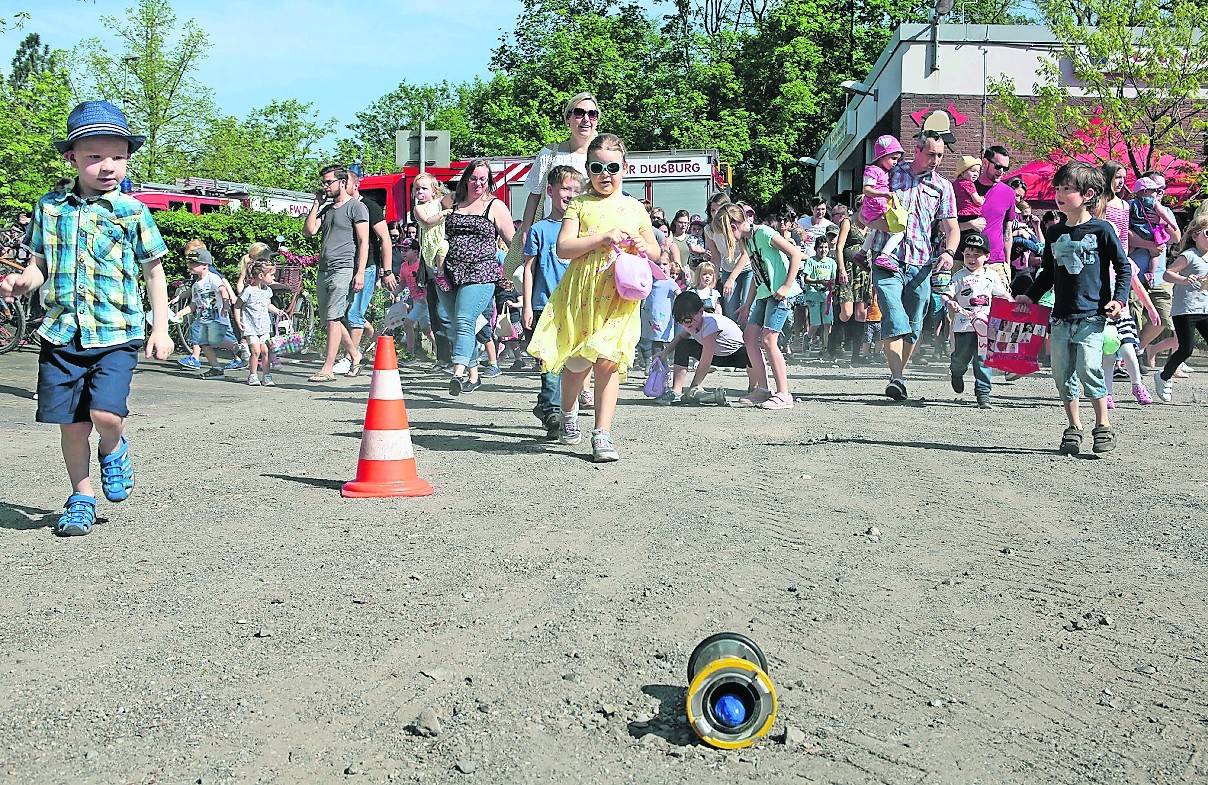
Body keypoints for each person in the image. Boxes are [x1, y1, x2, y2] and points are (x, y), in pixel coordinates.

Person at [0, 100, 172, 536]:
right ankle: (81, 497)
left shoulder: (132, 211)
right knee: (73, 426)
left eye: (117, 156)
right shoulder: (49, 208)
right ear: (71, 157)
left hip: (116, 333)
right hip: (62, 336)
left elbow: (154, 271)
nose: (107, 166)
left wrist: (161, 327)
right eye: (95, 156)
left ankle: (113, 446)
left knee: (105, 415)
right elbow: (39, 266)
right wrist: (22, 282)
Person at [527, 133, 661, 462]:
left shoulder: (635, 208)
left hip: (620, 297)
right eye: (597, 167)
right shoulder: (579, 204)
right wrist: (601, 238)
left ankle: (602, 434)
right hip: (583, 295)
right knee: (576, 366)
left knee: (608, 362)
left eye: (612, 167)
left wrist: (644, 246)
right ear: (588, 170)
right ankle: (568, 411)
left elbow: (656, 251)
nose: (605, 174)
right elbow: (563, 247)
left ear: (625, 168)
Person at [1016, 161, 1130, 455]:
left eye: (1067, 189)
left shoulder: (1102, 229)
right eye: (1057, 188)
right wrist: (1030, 296)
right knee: (1061, 372)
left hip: (1092, 316)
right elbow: (1048, 273)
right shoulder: (1054, 233)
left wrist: (1119, 299)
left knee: (1089, 367)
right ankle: (1074, 427)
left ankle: (1103, 425)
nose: (1059, 194)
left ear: (1088, 194)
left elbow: (1123, 267)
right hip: (1061, 317)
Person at [867, 131, 960, 401]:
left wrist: (949, 252)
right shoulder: (891, 173)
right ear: (917, 150)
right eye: (931, 154)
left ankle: (898, 375)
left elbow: (951, 227)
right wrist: (877, 222)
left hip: (921, 263)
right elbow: (866, 210)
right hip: (887, 258)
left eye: (940, 155)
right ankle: (897, 377)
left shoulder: (943, 187)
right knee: (894, 316)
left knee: (913, 325)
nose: (936, 160)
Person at [713, 203, 803, 409]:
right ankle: (763, 389)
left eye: (725, 234)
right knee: (750, 337)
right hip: (764, 295)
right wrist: (747, 304)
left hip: (779, 295)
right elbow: (757, 272)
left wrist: (786, 286)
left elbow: (795, 254)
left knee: (769, 340)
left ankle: (784, 394)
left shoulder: (763, 233)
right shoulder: (748, 240)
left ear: (733, 226)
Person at [440, 159, 516, 395]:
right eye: (473, 178)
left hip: (481, 272)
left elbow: (513, 243)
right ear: (466, 180)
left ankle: (457, 373)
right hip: (450, 272)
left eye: (483, 179)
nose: (478, 183)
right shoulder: (451, 202)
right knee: (458, 325)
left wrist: (515, 273)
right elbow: (427, 221)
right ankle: (473, 375)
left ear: (489, 181)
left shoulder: (495, 206)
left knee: (464, 320)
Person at [523, 165, 583, 434]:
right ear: (550, 191)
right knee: (549, 361)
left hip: (575, 306)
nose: (571, 194)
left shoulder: (582, 230)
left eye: (576, 190)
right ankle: (551, 414)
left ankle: (547, 404)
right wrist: (527, 305)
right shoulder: (539, 230)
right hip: (544, 305)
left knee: (570, 361)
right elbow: (528, 269)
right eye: (565, 189)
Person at [513, 92, 598, 275]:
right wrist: (526, 229)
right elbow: (535, 196)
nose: (586, 119)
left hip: (588, 237)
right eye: (579, 113)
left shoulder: (601, 157)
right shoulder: (549, 154)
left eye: (592, 114)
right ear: (568, 118)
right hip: (551, 237)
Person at [303, 164, 369, 382]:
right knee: (330, 318)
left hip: (344, 268)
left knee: (333, 318)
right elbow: (309, 231)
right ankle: (355, 355)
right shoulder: (327, 209)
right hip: (324, 269)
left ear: (342, 182)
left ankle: (328, 368)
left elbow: (364, 241)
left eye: (329, 182)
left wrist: (360, 272)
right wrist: (316, 204)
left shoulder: (356, 207)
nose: (325, 186)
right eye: (323, 182)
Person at [942, 233, 1008, 408]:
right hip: (963, 327)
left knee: (983, 360)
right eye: (967, 255)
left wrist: (1014, 303)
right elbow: (946, 294)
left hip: (985, 328)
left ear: (986, 256)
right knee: (960, 358)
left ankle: (983, 393)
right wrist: (949, 302)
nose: (971, 259)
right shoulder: (959, 276)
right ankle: (956, 372)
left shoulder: (991, 276)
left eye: (976, 255)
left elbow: (1003, 295)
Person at [656, 290, 754, 405]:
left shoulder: (710, 324)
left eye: (687, 320)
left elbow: (705, 361)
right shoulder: (691, 322)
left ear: (701, 312)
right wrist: (664, 353)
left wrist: (694, 387)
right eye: (680, 321)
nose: (685, 324)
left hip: (736, 355)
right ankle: (676, 391)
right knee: (683, 345)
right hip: (717, 354)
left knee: (751, 354)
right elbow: (680, 337)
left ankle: (754, 387)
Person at [338, 171, 393, 373]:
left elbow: (385, 239)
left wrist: (387, 271)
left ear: (355, 186)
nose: (341, 187)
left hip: (368, 265)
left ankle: (350, 359)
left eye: (345, 183)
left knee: (354, 312)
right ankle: (370, 332)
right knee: (343, 312)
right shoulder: (341, 207)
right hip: (346, 265)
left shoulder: (370, 207)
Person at [1130, 172, 1182, 370]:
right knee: (1133, 315)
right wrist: (1149, 245)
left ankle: (1139, 349)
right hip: (1135, 274)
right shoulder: (1132, 207)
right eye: (1156, 188)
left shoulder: (1164, 210)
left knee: (1163, 317)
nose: (1159, 191)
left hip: (1159, 275)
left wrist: (1161, 222)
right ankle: (1129, 358)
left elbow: (1176, 237)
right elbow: (1125, 234)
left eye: (1162, 188)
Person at [1154, 214, 1208, 403]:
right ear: (1195, 235)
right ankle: (1163, 377)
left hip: (1204, 309)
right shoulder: (1189, 255)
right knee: (1186, 349)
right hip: (1185, 309)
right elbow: (1167, 274)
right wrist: (1184, 280)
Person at [172, 249, 242, 380]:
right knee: (204, 343)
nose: (190, 265)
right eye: (190, 263)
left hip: (216, 316)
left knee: (216, 340)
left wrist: (226, 303)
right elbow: (194, 304)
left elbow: (222, 289)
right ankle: (216, 368)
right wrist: (181, 313)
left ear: (205, 265)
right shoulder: (196, 285)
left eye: (194, 263)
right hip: (204, 318)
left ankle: (239, 349)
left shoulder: (212, 277)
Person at [236, 258, 286, 386]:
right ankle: (252, 375)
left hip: (264, 327)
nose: (274, 277)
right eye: (271, 274)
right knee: (255, 351)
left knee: (265, 351)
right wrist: (238, 320)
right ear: (261, 276)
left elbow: (267, 305)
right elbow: (237, 305)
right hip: (250, 327)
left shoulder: (267, 290)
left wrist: (277, 311)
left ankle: (266, 375)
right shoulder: (248, 291)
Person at [800, 236, 837, 357]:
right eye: (820, 247)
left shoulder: (831, 263)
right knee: (816, 323)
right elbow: (806, 279)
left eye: (825, 247)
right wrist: (819, 282)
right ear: (816, 248)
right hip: (813, 296)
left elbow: (833, 279)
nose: (823, 250)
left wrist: (831, 286)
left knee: (828, 323)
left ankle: (825, 348)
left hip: (827, 296)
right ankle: (808, 337)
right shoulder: (811, 261)